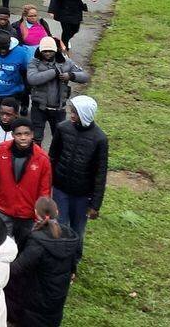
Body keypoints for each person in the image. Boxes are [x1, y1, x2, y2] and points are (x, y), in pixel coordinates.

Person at [47, 96, 108, 254]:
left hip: (82, 195)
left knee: (77, 230)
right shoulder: (62, 128)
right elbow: (52, 158)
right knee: (59, 226)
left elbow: (101, 172)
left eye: (75, 112)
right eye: (71, 111)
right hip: (60, 189)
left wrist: (95, 204)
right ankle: (59, 258)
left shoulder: (100, 139)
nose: (71, 115)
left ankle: (73, 262)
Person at [9, 197, 79, 327]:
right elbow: (72, 266)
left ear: (35, 213)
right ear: (57, 212)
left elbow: (16, 269)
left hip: (35, 306)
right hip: (56, 303)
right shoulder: (69, 236)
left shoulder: (37, 242)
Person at [0, 118, 51, 247]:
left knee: (23, 247)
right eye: (19, 134)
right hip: (3, 209)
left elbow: (44, 191)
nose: (23, 137)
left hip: (28, 213)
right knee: (0, 246)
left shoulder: (42, 159)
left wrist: (42, 216)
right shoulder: (0, 150)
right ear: (13, 135)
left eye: (27, 134)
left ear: (32, 135)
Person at [27, 38, 89, 144]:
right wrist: (54, 72)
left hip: (59, 109)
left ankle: (54, 160)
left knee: (60, 139)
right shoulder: (34, 61)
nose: (47, 53)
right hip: (39, 107)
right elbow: (32, 79)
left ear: (55, 50)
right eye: (44, 51)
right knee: (35, 139)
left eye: (50, 51)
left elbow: (85, 77)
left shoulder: (66, 61)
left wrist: (71, 75)